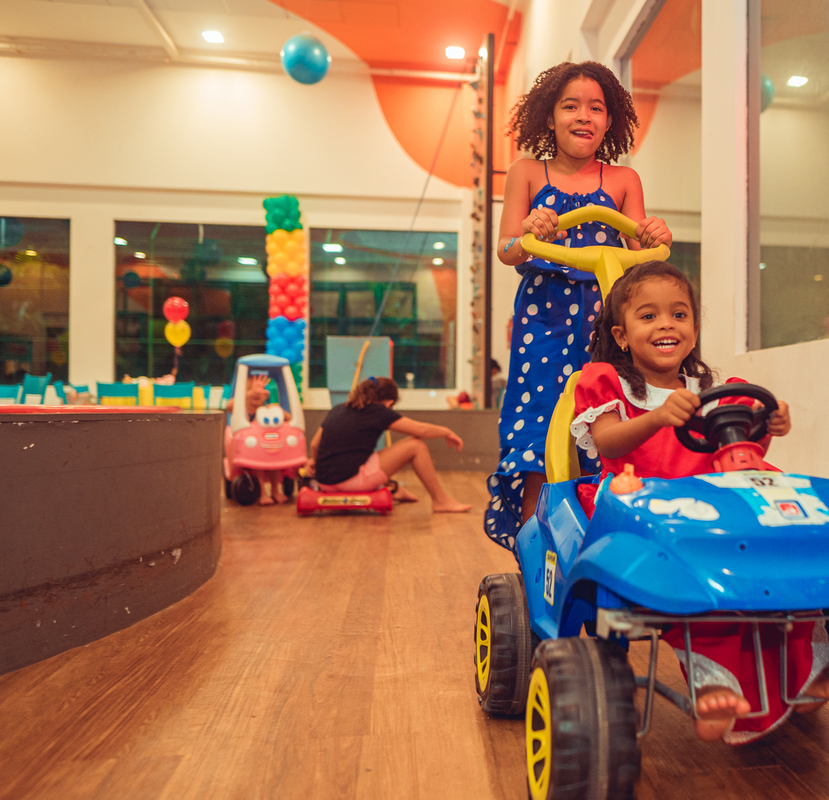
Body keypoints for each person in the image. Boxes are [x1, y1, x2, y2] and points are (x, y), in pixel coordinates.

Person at [571, 261, 829, 744]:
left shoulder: (708, 390)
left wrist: (769, 426)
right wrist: (657, 418)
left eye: (679, 314)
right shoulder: (608, 380)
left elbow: (738, 452)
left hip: (719, 496)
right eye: (649, 316)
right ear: (622, 336)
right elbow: (607, 444)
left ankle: (810, 675)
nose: (667, 324)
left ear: (692, 330)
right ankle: (717, 683)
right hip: (646, 496)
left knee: (788, 556)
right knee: (701, 584)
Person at [485, 60, 673, 550]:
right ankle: (532, 557)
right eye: (570, 106)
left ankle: (607, 549)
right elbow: (506, 252)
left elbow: (640, 264)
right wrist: (527, 232)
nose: (583, 116)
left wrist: (653, 234)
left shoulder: (623, 180)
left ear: (609, 122)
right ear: (549, 117)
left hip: (608, 321)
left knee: (607, 417)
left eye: (596, 108)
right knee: (540, 427)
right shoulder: (527, 173)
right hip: (542, 321)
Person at [305, 377, 471, 513]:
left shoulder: (339, 409)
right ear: (389, 403)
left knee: (369, 455)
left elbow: (315, 443)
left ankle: (395, 489)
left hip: (325, 482)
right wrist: (446, 431)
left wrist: (315, 460)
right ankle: (440, 501)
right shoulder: (378, 411)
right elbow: (421, 431)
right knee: (416, 446)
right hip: (348, 482)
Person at [225, 372, 287, 505]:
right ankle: (262, 492)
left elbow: (289, 419)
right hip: (248, 449)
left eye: (261, 390)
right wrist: (249, 393)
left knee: (275, 455)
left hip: (268, 446)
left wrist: (278, 411)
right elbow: (229, 406)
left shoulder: (268, 411)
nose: (256, 393)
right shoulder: (241, 409)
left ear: (266, 395)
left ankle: (275, 490)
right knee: (259, 455)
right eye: (250, 390)